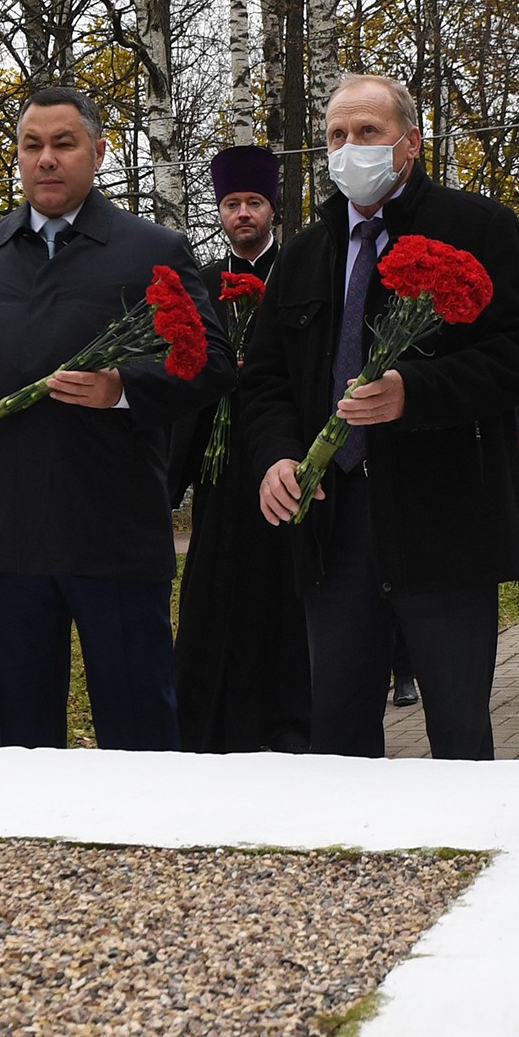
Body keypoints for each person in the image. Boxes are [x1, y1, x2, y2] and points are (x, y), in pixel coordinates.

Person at [0, 85, 235, 752]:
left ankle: (148, 851)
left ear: (99, 152)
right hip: (11, 537)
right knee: (23, 751)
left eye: (63, 143)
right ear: (17, 157)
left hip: (115, 540)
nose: (46, 159)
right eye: (32, 146)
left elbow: (215, 360)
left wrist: (124, 388)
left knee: (140, 743)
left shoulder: (151, 249)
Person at [243, 73, 519, 760]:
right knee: (340, 736)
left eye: (368, 133)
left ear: (410, 143)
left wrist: (417, 390)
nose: (351, 148)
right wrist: (275, 456)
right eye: (337, 136)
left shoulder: (477, 229)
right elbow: (265, 383)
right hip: (333, 527)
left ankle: (466, 850)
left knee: (458, 732)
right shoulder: (303, 254)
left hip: (445, 524)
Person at [168, 144, 310, 753]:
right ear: (220, 211)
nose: (243, 214)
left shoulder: (299, 273)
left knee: (283, 599)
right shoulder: (200, 285)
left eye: (254, 202)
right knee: (214, 596)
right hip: (220, 466)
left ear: (272, 209)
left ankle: (289, 728)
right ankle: (210, 730)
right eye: (232, 204)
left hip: (281, 460)